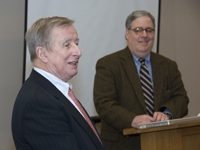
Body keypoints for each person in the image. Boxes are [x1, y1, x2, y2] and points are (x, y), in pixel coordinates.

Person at [93, 10, 189, 150]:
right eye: (138, 30)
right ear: (127, 33)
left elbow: (181, 99)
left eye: (149, 30)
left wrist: (167, 113)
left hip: (163, 142)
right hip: (123, 144)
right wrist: (132, 119)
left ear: (154, 34)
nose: (144, 35)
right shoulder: (108, 64)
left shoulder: (168, 65)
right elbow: (104, 103)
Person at [12, 16, 105, 150]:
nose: (78, 52)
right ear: (42, 53)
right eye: (67, 45)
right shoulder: (38, 103)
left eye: (76, 44)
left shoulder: (55, 92)